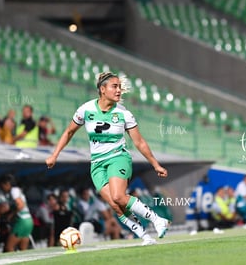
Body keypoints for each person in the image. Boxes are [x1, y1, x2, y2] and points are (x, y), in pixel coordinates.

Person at [45, 72, 170, 246]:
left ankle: (158, 220)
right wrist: (54, 154)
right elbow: (69, 132)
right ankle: (146, 237)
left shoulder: (124, 114)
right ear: (102, 89)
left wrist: (155, 164)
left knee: (119, 196)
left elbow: (139, 142)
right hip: (97, 164)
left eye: (120, 87)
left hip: (118, 158)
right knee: (115, 205)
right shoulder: (85, 110)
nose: (119, 90)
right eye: (114, 86)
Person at [0, 174, 34, 252]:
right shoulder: (18, 190)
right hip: (28, 220)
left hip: (21, 220)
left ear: (7, 184)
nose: (2, 188)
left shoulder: (13, 191)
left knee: (9, 247)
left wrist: (11, 215)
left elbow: (20, 205)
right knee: (23, 249)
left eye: (2, 186)